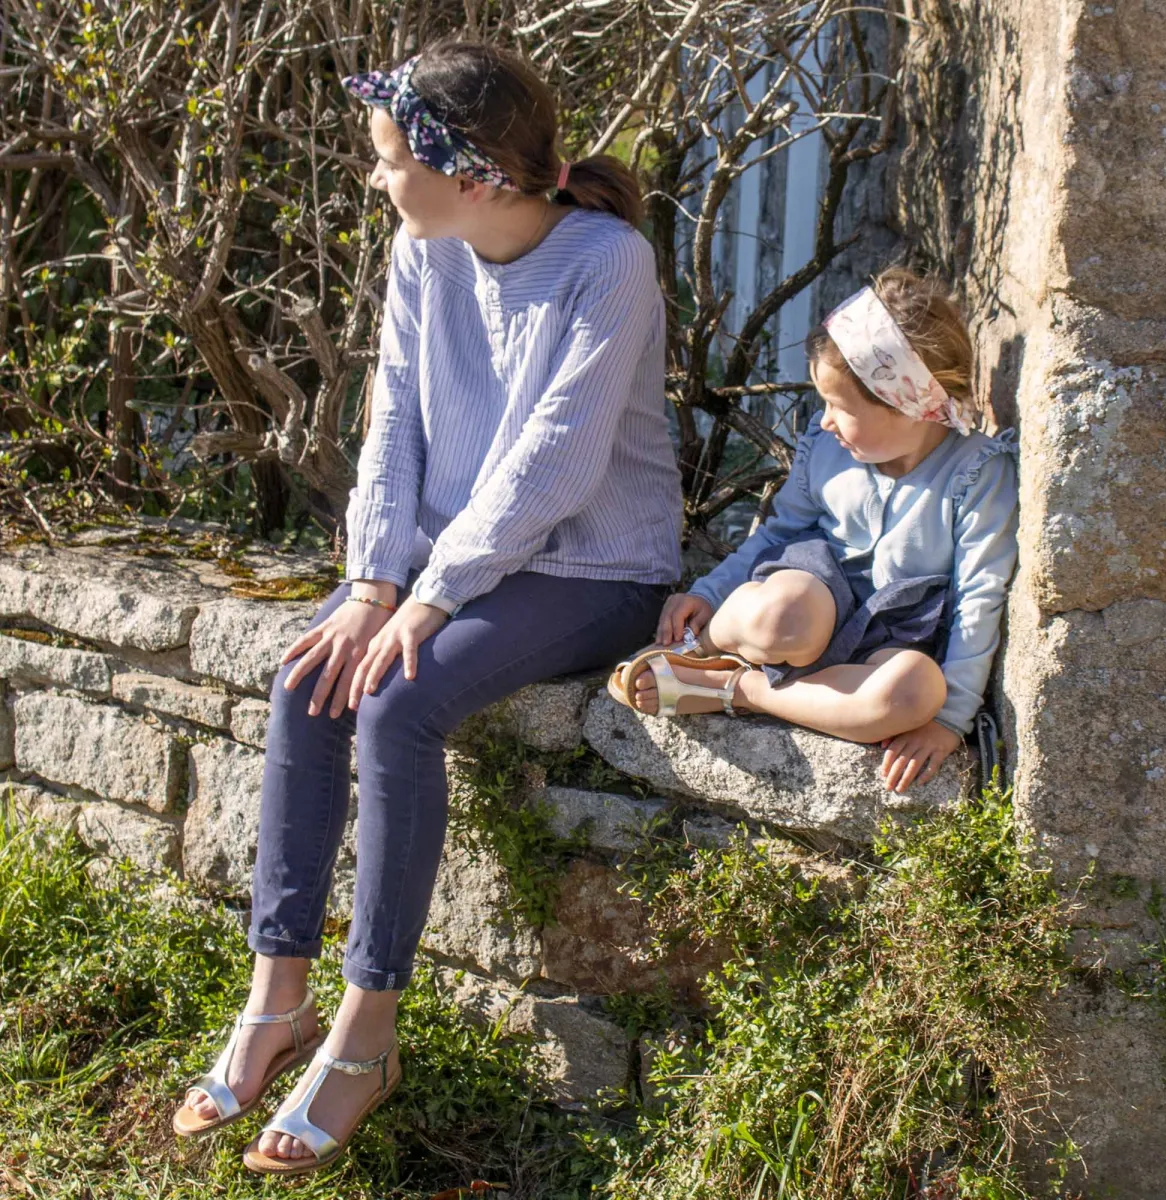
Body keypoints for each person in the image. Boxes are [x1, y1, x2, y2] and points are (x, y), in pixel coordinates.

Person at [171, 40, 681, 1175]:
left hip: (593, 568)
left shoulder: (610, 264)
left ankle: (365, 1038)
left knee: (400, 706)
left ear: (478, 176)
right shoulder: (425, 246)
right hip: (461, 558)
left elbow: (556, 462)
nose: (376, 177)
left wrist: (437, 595)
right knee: (313, 671)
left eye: (392, 158)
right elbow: (390, 423)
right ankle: (276, 1000)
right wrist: (370, 584)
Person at [609, 268, 1017, 796]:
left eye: (839, 407)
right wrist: (709, 594)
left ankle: (739, 688)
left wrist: (949, 720)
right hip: (814, 595)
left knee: (914, 693)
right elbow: (775, 535)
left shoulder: (977, 474)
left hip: (892, 638)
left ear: (907, 404)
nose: (823, 421)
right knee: (785, 616)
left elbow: (978, 596)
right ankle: (700, 653)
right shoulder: (827, 452)